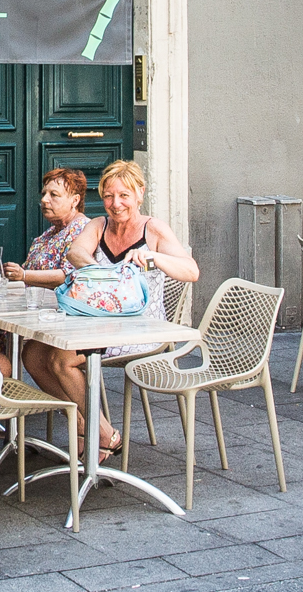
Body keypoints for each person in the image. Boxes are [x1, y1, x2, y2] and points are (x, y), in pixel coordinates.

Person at [32, 160, 200, 453]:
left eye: (124, 195)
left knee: (60, 359)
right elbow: (75, 252)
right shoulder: (99, 225)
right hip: (98, 322)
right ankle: (88, 423)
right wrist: (104, 273)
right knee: (33, 354)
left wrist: (155, 259)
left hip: (140, 328)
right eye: (108, 196)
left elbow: (191, 271)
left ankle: (101, 432)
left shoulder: (154, 230)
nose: (115, 203)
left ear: (139, 194)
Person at [8, 168, 92, 289]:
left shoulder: (83, 229)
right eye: (44, 194)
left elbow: (69, 275)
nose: (44, 200)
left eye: (54, 194)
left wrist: (24, 275)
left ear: (75, 200)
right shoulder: (50, 233)